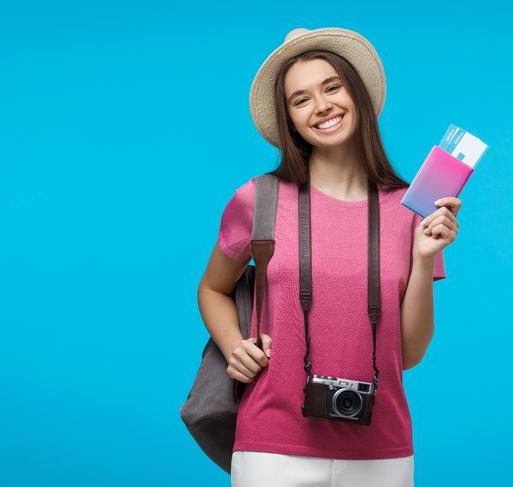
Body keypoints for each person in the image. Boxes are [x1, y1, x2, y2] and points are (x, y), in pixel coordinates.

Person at [197, 27, 461, 487]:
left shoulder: (412, 209)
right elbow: (212, 288)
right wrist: (232, 345)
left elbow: (411, 353)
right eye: (301, 100)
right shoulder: (258, 200)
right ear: (290, 120)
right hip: (271, 447)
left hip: (380, 449)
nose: (321, 106)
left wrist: (423, 259)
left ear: (355, 93)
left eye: (332, 87)